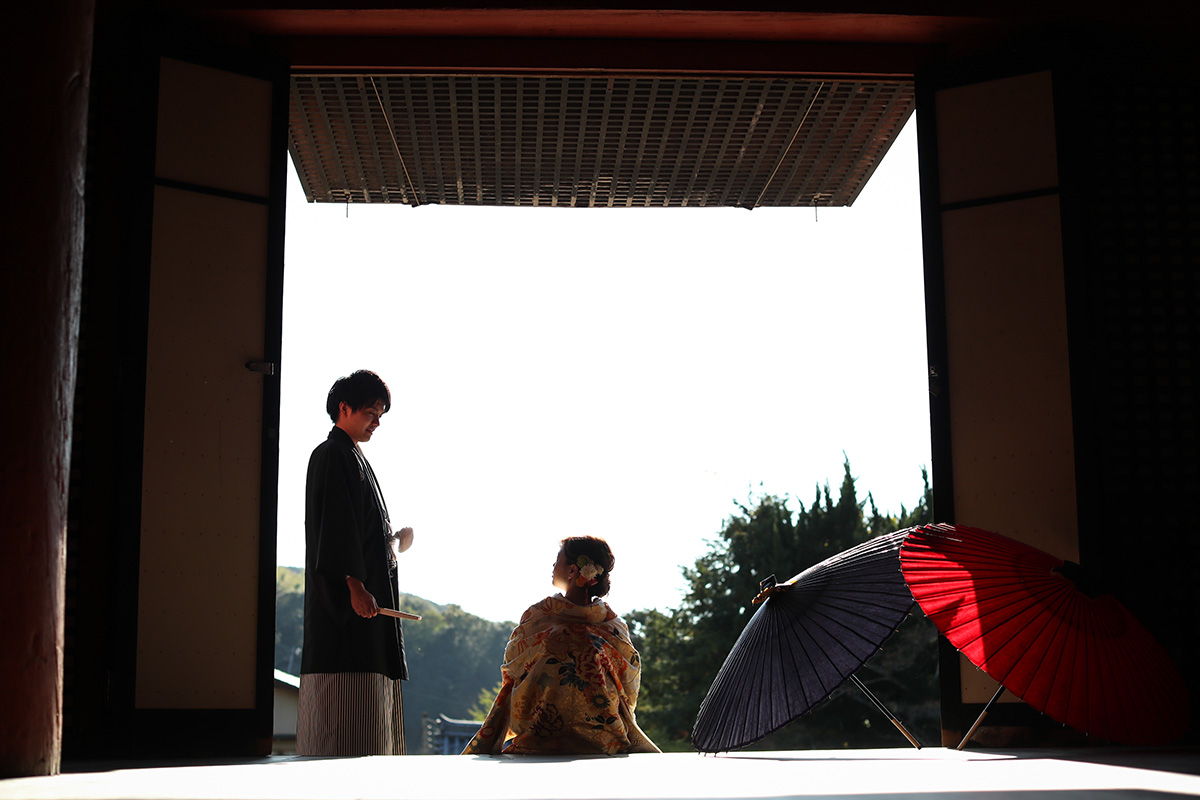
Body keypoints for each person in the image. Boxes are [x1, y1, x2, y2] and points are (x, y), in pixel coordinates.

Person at [297, 370, 414, 756]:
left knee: (370, 691)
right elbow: (336, 526)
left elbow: (361, 527)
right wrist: (354, 583)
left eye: (380, 414)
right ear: (343, 408)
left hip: (365, 592)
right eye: (370, 412)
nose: (376, 422)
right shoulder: (332, 454)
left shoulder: (352, 456)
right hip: (348, 602)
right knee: (345, 706)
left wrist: (393, 539)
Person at [463, 536, 660, 755]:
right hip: (605, 741)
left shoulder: (540, 616)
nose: (553, 566)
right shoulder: (613, 626)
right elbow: (627, 685)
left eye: (558, 560)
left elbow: (514, 668)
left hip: (539, 738)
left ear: (573, 571)